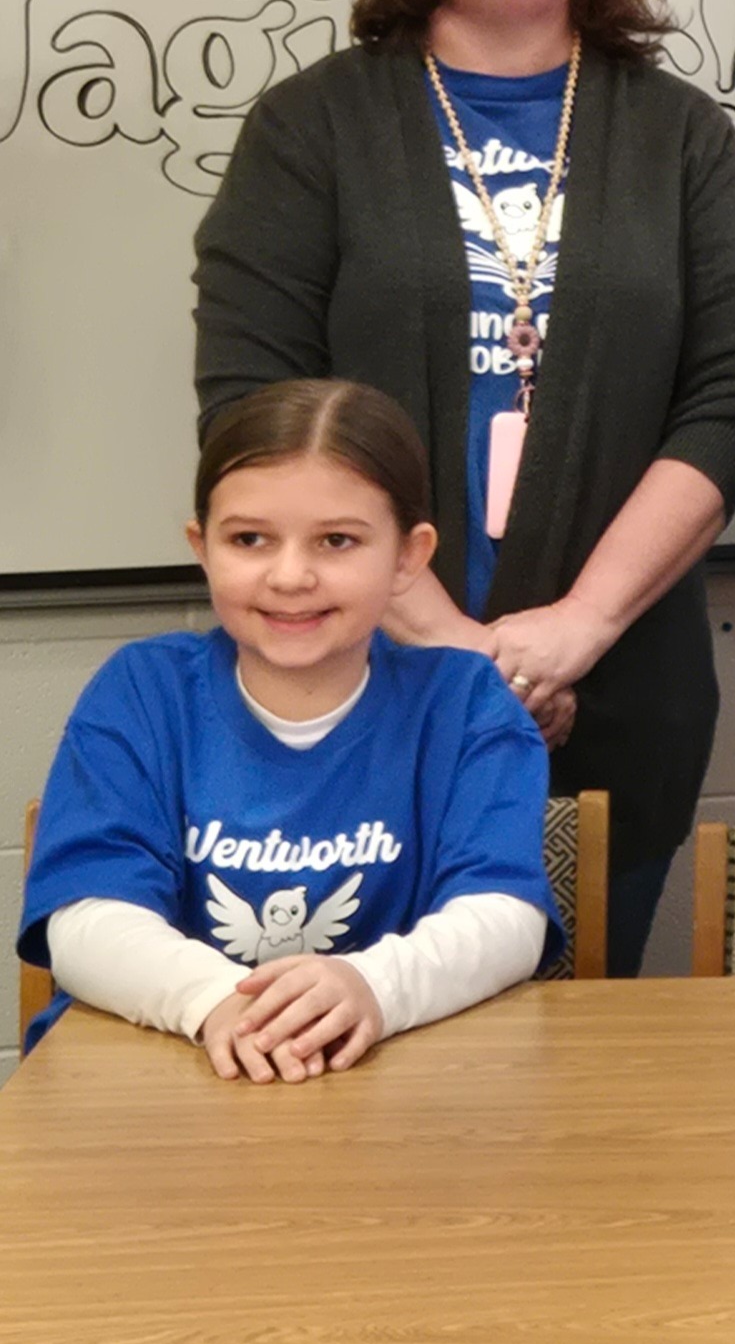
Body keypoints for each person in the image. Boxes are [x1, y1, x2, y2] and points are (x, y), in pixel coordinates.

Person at [196, 0, 735, 978]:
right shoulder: (311, 128)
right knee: (355, 1029)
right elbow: (255, 405)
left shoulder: (679, 137)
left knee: (575, 1045)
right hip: (351, 669)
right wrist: (453, 645)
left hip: (620, 682)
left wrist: (574, 629)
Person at [20, 378, 553, 1071]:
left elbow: (506, 917)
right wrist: (214, 1000)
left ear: (408, 556)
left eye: (336, 539)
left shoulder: (468, 703)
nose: (291, 574)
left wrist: (374, 987)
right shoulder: (141, 693)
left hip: (389, 1086)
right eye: (249, 539)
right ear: (202, 545)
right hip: (169, 1086)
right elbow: (86, 920)